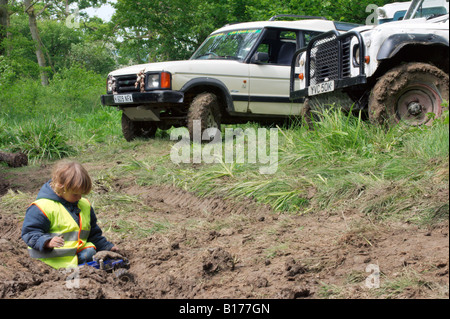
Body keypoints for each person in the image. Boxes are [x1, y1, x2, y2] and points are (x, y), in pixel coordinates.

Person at [21, 160, 118, 269]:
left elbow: (93, 233)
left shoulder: (84, 205)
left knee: (90, 251)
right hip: (49, 264)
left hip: (76, 257)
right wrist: (46, 242)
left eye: (82, 193)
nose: (80, 197)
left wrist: (106, 247)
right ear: (60, 186)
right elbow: (29, 232)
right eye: (75, 194)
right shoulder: (41, 208)